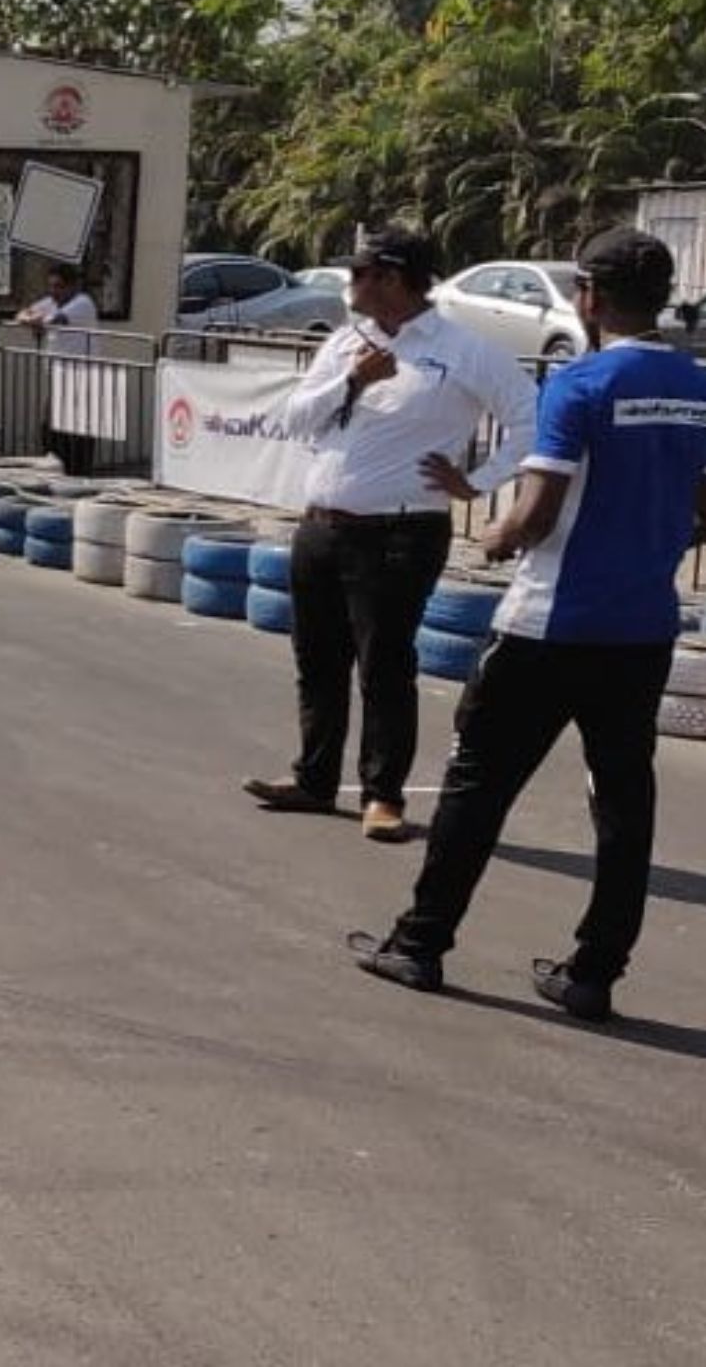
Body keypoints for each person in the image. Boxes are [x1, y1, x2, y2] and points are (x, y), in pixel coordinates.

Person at [352, 229, 706, 1020]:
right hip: (643, 627)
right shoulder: (695, 383)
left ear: (589, 296)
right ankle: (593, 975)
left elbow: (537, 516)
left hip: (550, 624)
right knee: (623, 801)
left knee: (477, 787)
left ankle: (420, 945)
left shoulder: (580, 384)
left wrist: (495, 533)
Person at [244, 226, 537, 842]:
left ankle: (383, 796)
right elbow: (296, 418)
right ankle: (315, 780)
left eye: (360, 273)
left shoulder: (462, 348)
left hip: (399, 533)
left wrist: (475, 481)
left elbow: (529, 420)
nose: (349, 284)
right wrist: (351, 380)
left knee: (384, 666)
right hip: (322, 526)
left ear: (393, 279)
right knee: (317, 662)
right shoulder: (349, 342)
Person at [15, 264, 102, 475]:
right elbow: (20, 315)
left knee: (77, 432)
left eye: (60, 287)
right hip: (59, 376)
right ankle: (57, 472)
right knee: (51, 430)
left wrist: (37, 322)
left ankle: (79, 476)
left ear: (74, 286)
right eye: (52, 286)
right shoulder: (51, 302)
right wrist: (31, 320)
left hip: (82, 378)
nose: (55, 292)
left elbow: (56, 320)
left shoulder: (83, 303)